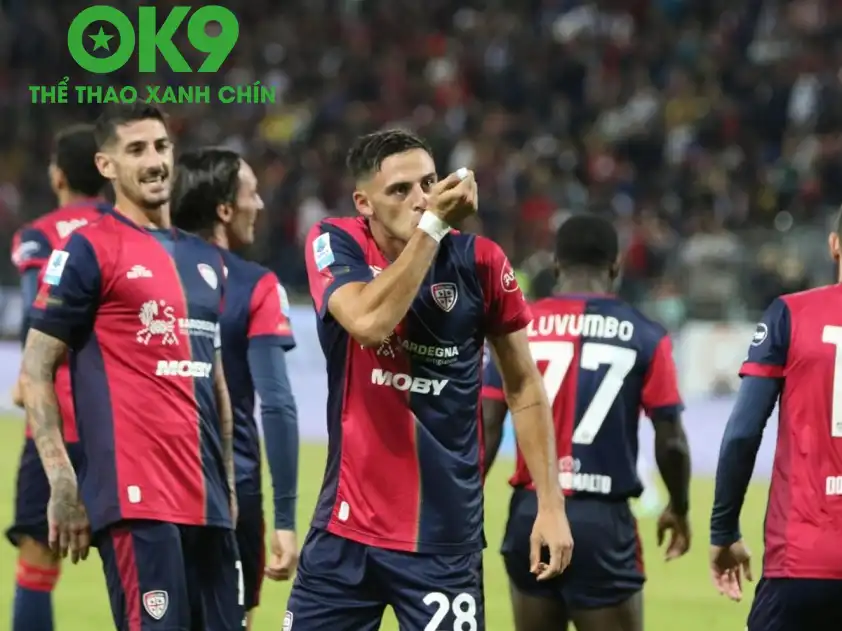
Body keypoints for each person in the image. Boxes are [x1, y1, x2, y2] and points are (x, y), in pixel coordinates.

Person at [287, 129, 573, 631]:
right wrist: (434, 227)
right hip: (345, 532)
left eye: (428, 182)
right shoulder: (336, 242)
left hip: (443, 539)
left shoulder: (481, 262)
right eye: (399, 190)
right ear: (364, 204)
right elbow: (368, 323)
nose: (420, 199)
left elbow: (524, 386)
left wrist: (550, 504)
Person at [18, 103, 244, 631]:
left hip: (208, 501)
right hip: (136, 500)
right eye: (136, 149)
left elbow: (213, 378)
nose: (154, 161)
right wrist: (63, 482)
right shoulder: (88, 249)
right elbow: (36, 367)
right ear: (106, 165)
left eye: (161, 147)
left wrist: (229, 485)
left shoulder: (206, 260)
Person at [482, 214, 691, 631]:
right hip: (602, 520)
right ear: (615, 267)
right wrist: (679, 507)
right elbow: (671, 441)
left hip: (531, 512)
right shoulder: (646, 335)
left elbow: (485, 426)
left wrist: (459, 511)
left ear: (555, 265)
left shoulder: (517, 328)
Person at [171, 147, 301, 629]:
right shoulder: (254, 284)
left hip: (150, 488)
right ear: (225, 210)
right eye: (252, 194)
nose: (260, 204)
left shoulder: (141, 269)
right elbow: (278, 404)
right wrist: (284, 519)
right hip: (231, 493)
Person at [709, 209, 842, 630]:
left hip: (802, 562)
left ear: (834, 245)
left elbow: (743, 433)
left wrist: (723, 530)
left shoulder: (790, 314)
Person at [6, 123, 108, 631]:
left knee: (37, 560)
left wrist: (29, 376)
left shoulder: (39, 236)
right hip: (120, 423)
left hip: (55, 420)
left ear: (58, 175)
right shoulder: (128, 229)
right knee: (138, 564)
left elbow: (37, 314)